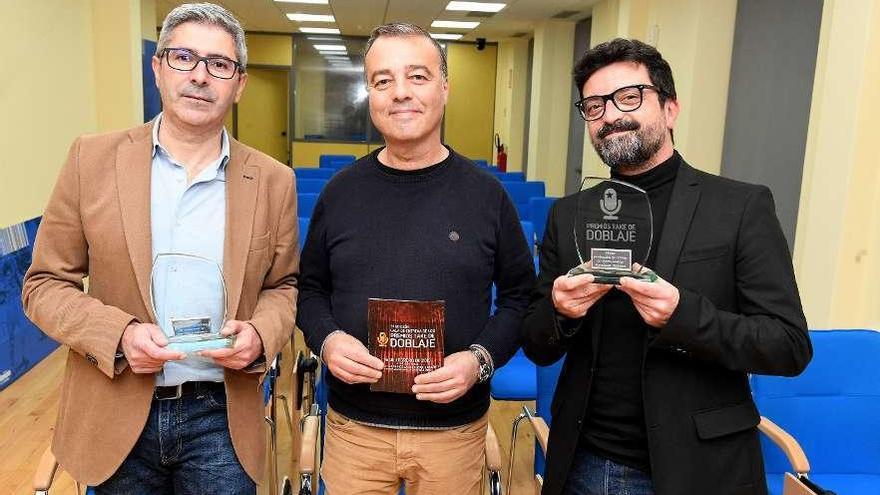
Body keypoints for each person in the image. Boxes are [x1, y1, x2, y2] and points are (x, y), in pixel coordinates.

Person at [21, 3, 298, 493]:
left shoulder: (274, 180)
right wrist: (120, 335)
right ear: (157, 67)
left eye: (219, 65)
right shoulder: (92, 159)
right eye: (183, 57)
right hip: (114, 408)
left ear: (239, 84)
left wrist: (260, 333)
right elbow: (43, 285)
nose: (200, 76)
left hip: (223, 418)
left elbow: (284, 287)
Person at [520, 38, 811, 495]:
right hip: (585, 463)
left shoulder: (739, 207)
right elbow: (538, 344)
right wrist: (561, 311)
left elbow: (788, 345)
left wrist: (683, 317)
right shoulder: (570, 214)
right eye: (594, 106)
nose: (611, 115)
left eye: (629, 97)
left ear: (671, 109)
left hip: (700, 468)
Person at [296, 22, 535, 494]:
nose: (400, 93)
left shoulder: (487, 196)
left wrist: (479, 360)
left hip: (454, 435)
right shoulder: (340, 194)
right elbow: (309, 290)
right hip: (354, 435)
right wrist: (325, 340)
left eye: (418, 77)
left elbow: (519, 297)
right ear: (369, 94)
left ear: (445, 87)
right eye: (383, 81)